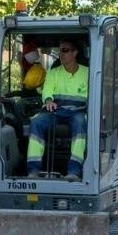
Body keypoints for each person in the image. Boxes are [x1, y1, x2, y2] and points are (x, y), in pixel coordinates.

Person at [25, 38, 88, 181]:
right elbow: (47, 91)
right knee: (36, 122)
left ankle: (74, 171)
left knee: (80, 123)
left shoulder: (88, 73)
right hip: (57, 111)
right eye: (60, 51)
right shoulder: (53, 73)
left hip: (78, 112)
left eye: (65, 50)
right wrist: (48, 101)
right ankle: (33, 171)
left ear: (75, 53)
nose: (61, 54)